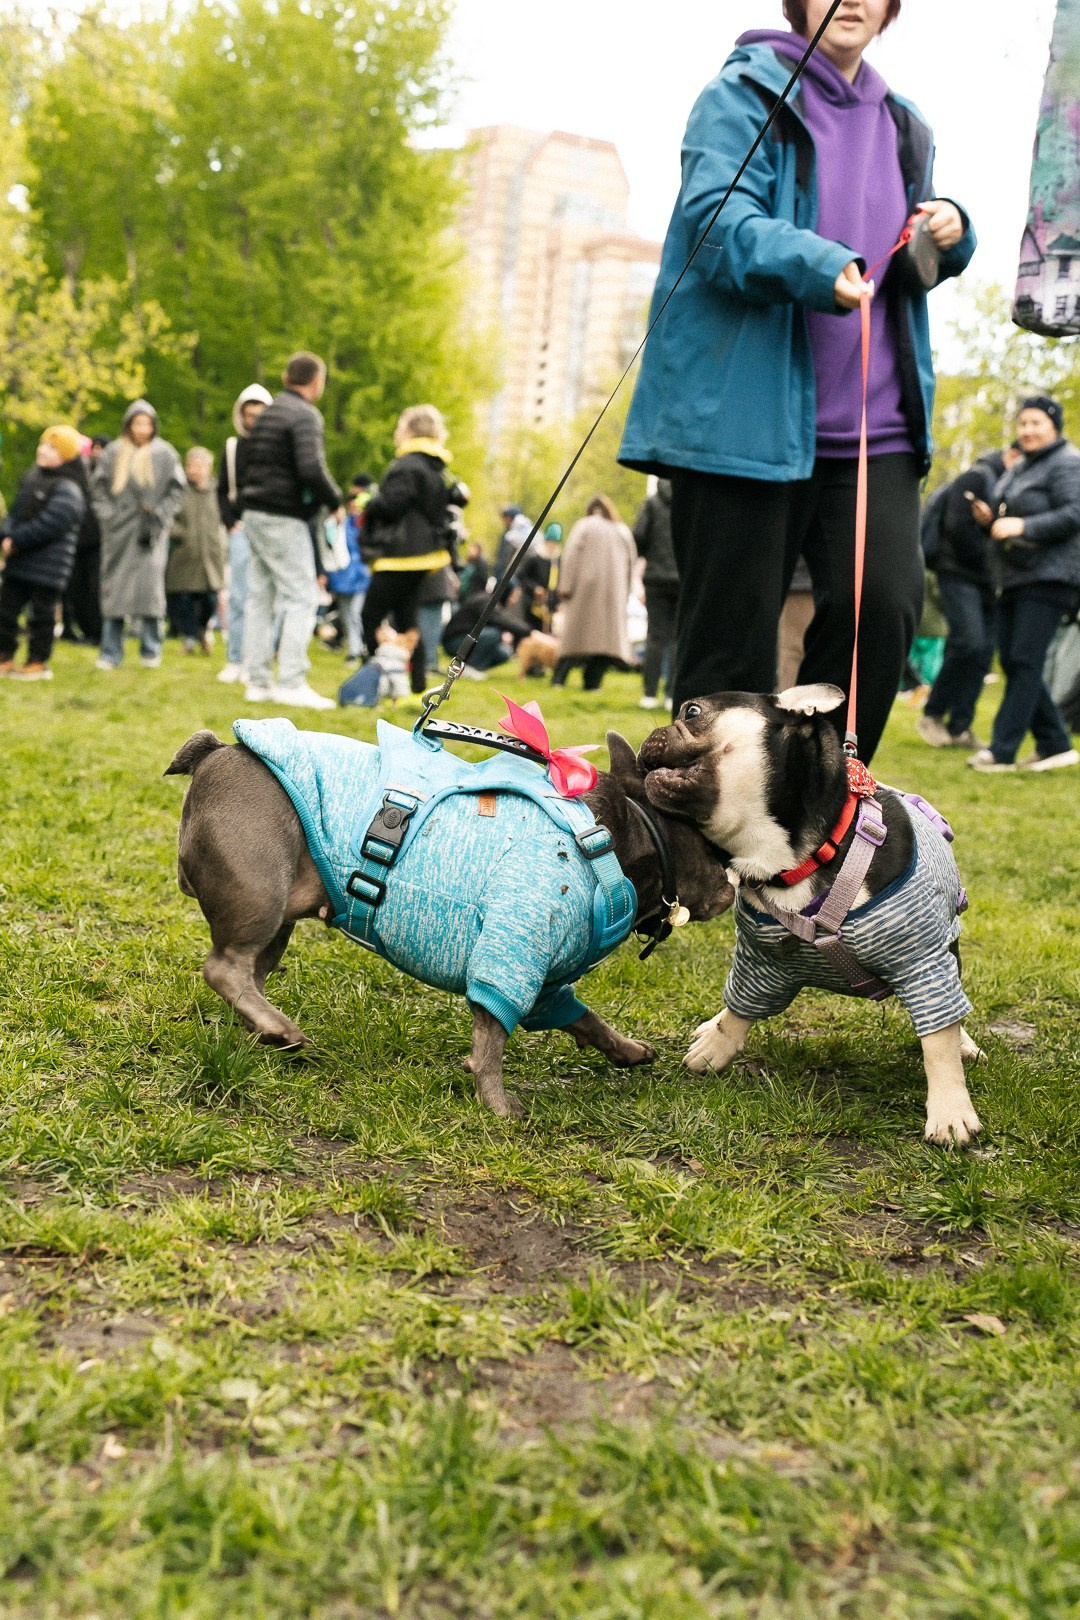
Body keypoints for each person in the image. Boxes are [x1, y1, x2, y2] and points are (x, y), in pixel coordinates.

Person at [618, 0, 975, 761]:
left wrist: (949, 227)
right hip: (746, 425)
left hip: (874, 429)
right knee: (729, 660)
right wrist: (817, 264)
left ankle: (815, 821)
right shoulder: (740, 94)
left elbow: (906, 244)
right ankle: (694, 858)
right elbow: (715, 220)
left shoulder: (906, 124)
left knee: (880, 614)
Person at [967, 396, 1080, 772]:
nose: (1027, 430)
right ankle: (1054, 743)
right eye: (1022, 423)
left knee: (1024, 660)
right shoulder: (1021, 467)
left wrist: (1024, 526)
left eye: (1036, 423)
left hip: (1050, 575)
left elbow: (1074, 512)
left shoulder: (1066, 463)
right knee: (1016, 663)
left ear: (1054, 426)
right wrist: (990, 521)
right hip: (1015, 576)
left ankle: (1002, 750)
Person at [239, 352, 342, 710]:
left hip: (254, 512)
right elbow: (311, 467)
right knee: (302, 596)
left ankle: (258, 682)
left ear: (286, 376)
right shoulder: (304, 415)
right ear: (316, 382)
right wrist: (335, 500)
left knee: (260, 597)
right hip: (283, 515)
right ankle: (291, 682)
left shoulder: (268, 413)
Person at [360, 404, 468, 695]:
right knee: (409, 622)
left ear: (410, 431)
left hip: (400, 556)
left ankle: (374, 679)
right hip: (426, 556)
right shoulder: (437, 467)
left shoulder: (407, 465)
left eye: (400, 426)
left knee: (370, 614)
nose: (397, 433)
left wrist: (369, 501)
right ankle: (417, 686)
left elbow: (392, 505)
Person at [917, 450, 1017, 749]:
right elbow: (957, 528)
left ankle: (960, 726)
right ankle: (932, 713)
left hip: (987, 581)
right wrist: (993, 558)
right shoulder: (976, 477)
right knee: (968, 641)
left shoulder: (1006, 486)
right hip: (958, 573)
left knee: (983, 652)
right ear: (1011, 455)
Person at [93, 401, 185, 670]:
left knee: (151, 592)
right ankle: (110, 652)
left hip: (151, 533)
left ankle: (151, 649)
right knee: (115, 593)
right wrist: (110, 517)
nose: (142, 429)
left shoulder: (165, 454)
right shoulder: (113, 453)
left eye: (147, 424)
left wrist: (161, 515)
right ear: (129, 425)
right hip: (118, 533)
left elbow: (177, 490)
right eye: (138, 423)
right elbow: (98, 489)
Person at [0, 425, 87, 680]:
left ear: (66, 455)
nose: (43, 450)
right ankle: (4, 656)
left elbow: (50, 524)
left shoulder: (69, 489)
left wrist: (16, 540)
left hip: (49, 566)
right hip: (20, 561)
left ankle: (37, 662)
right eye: (43, 444)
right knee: (5, 611)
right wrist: (6, 534)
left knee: (41, 616)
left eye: (52, 447)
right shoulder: (31, 479)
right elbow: (14, 514)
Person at [216, 383, 273, 684]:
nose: (253, 420)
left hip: (270, 529)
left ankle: (257, 661)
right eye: (248, 414)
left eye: (259, 414)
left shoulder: (276, 448)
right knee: (238, 595)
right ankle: (235, 659)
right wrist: (230, 522)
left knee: (264, 598)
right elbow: (223, 490)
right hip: (241, 528)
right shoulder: (232, 447)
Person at [552, 495, 637, 692]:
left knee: (574, 638)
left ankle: (559, 679)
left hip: (585, 590)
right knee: (606, 644)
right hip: (613, 594)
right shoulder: (622, 529)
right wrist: (627, 590)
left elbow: (570, 556)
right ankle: (593, 683)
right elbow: (631, 562)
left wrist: (565, 587)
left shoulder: (584, 525)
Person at [167, 448, 227, 654]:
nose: (193, 470)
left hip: (211, 556)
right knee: (184, 599)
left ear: (208, 468)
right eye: (190, 465)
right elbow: (168, 517)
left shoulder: (219, 491)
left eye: (198, 466)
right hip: (185, 555)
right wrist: (178, 533)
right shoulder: (179, 491)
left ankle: (202, 630)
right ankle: (190, 639)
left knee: (210, 598)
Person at [632, 479, 678, 709]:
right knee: (677, 638)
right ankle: (671, 695)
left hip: (656, 578)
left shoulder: (651, 503)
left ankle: (649, 694)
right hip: (682, 579)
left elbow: (638, 535)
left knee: (655, 636)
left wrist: (648, 553)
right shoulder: (687, 502)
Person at [62, 433, 109, 646]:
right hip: (77, 541)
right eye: (94, 448)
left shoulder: (107, 474)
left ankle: (99, 633)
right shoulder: (76, 474)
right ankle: (88, 631)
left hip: (99, 542)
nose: (97, 452)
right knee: (77, 589)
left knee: (94, 589)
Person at [324, 478, 372, 665]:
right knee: (346, 613)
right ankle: (355, 649)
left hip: (359, 576)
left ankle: (356, 649)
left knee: (355, 613)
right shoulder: (338, 525)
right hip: (342, 576)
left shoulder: (364, 524)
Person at [442, 581, 531, 676]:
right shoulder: (485, 601)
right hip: (454, 642)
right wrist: (530, 631)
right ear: (506, 592)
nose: (514, 600)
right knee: (494, 634)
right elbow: (500, 619)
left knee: (504, 653)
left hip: (467, 640)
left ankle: (476, 668)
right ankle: (469, 668)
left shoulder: (491, 601)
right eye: (513, 595)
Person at [494, 504, 533, 579]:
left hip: (509, 579)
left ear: (510, 518)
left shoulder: (509, 537)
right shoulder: (530, 534)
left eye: (506, 518)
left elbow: (503, 560)